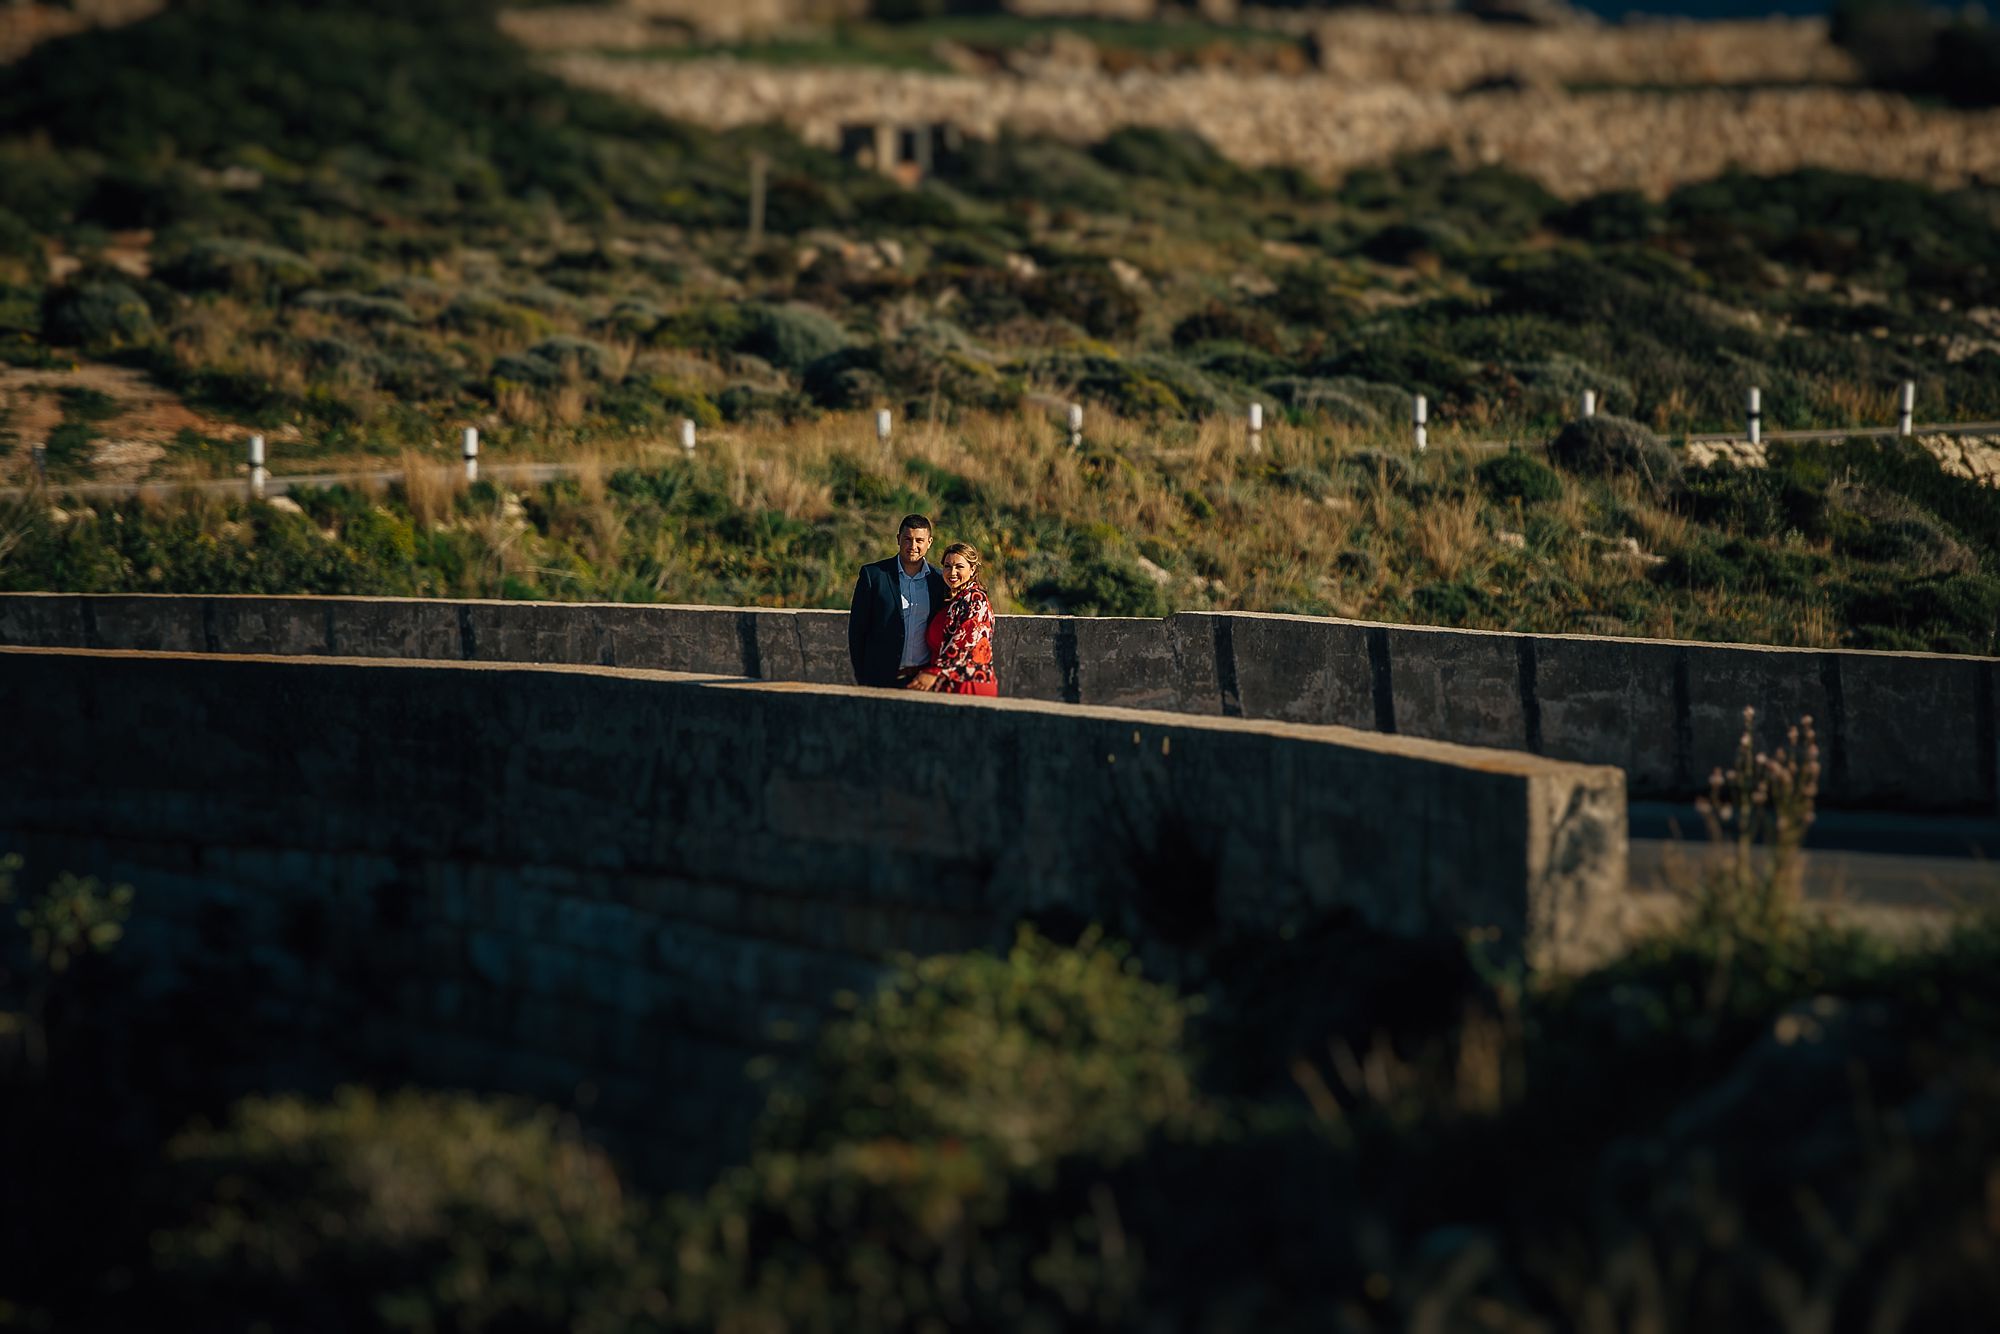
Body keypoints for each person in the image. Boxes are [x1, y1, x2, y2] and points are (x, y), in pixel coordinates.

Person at [848, 514, 948, 688]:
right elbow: (857, 630)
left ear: (929, 542)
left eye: (919, 540)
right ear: (898, 539)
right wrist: (861, 675)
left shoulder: (939, 580)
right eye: (907, 539)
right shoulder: (873, 576)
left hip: (921, 680)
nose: (913, 546)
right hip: (878, 679)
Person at [908, 541, 998, 697]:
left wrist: (935, 672)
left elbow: (966, 642)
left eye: (959, 567)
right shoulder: (953, 603)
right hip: (948, 685)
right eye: (947, 566)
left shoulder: (976, 599)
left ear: (972, 569)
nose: (952, 572)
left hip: (968, 684)